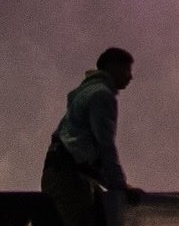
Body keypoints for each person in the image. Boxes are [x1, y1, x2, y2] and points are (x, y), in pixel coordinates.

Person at [41, 48, 143, 226]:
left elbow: (85, 151)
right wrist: (119, 184)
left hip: (60, 174)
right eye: (127, 69)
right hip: (68, 177)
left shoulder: (85, 91)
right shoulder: (102, 95)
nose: (130, 76)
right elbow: (105, 145)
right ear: (112, 68)